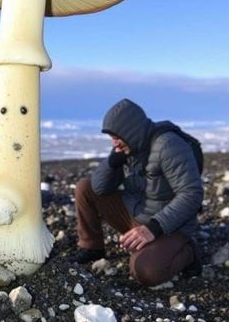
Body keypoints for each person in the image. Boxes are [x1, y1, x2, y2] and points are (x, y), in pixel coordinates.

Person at [74, 98, 204, 286]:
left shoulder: (169, 146)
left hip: (168, 226)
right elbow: (99, 188)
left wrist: (152, 228)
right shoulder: (128, 147)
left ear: (131, 131)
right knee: (84, 188)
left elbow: (192, 194)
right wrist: (112, 162)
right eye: (112, 138)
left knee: (146, 272)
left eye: (117, 137)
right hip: (136, 213)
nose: (114, 143)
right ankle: (92, 248)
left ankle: (189, 252)